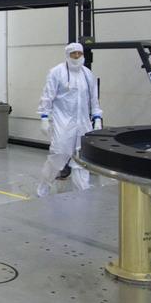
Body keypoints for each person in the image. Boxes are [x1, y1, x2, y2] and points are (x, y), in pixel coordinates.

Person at [37, 42, 102, 196]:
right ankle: (44, 187)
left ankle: (82, 191)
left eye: (79, 53)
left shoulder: (88, 75)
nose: (77, 56)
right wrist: (44, 117)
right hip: (63, 123)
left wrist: (97, 117)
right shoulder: (56, 73)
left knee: (82, 159)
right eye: (73, 54)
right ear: (67, 55)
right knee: (59, 155)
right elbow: (48, 96)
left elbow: (94, 99)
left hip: (83, 124)